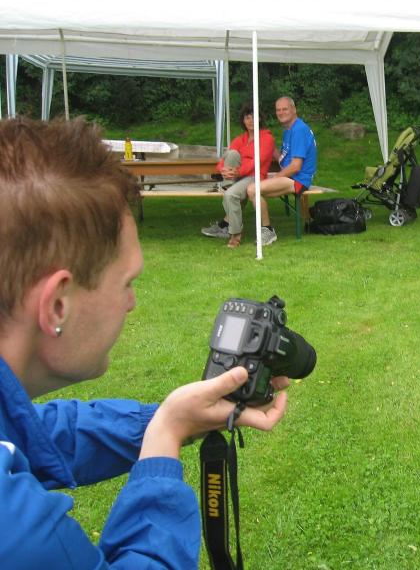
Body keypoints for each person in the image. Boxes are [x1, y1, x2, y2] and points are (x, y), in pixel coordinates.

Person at [0, 117, 289, 568]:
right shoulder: (15, 536)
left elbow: (47, 433)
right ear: (57, 305)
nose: (132, 303)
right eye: (126, 283)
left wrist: (175, 417)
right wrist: (164, 440)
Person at [201, 102, 275, 248]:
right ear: (243, 121)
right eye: (247, 117)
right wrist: (222, 169)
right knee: (232, 153)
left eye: (254, 117)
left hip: (254, 177)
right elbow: (223, 160)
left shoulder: (267, 138)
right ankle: (229, 186)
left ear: (260, 118)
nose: (251, 120)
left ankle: (235, 234)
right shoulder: (240, 139)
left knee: (230, 196)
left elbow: (257, 161)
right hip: (236, 177)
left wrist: (238, 171)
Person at [245, 96, 317, 245]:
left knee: (253, 189)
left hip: (298, 181)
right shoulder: (288, 130)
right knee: (250, 184)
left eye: (285, 109)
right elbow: (284, 159)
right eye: (278, 110)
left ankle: (268, 231)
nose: (281, 112)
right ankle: (228, 224)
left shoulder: (299, 130)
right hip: (290, 177)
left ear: (294, 109)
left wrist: (275, 178)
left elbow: (295, 166)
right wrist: (267, 145)